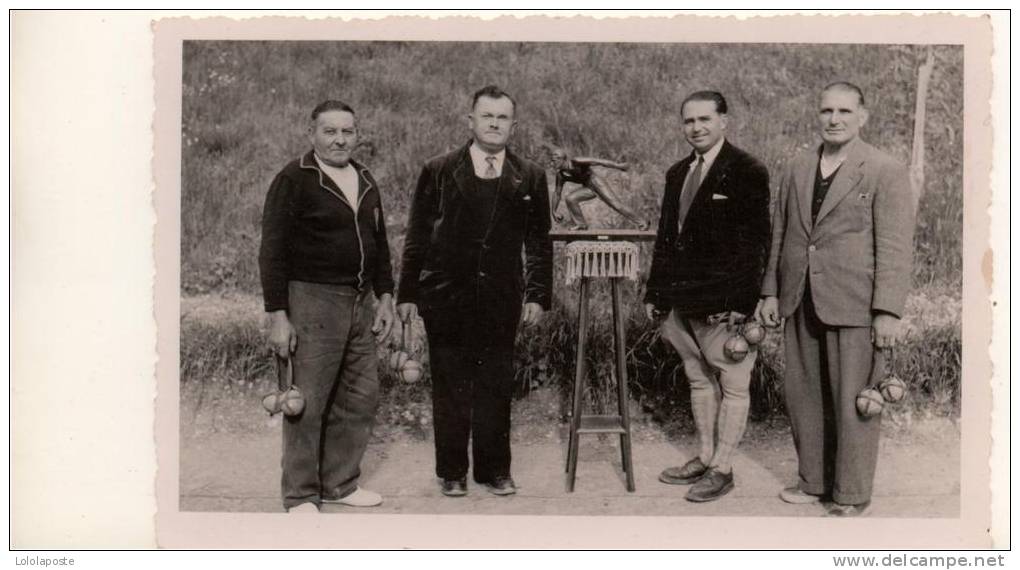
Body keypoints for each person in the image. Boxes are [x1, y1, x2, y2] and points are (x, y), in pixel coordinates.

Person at [757, 82, 915, 517]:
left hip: (856, 304)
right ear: (817, 115)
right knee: (804, 396)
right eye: (826, 110)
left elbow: (896, 247)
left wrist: (887, 311)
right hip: (800, 299)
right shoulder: (797, 167)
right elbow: (781, 235)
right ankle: (813, 481)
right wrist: (770, 291)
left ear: (863, 116)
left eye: (845, 111)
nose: (834, 119)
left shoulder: (884, 169)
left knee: (855, 401)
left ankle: (850, 493)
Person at [396, 85, 553, 497]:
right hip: (446, 297)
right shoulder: (439, 170)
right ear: (471, 121)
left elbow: (539, 240)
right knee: (450, 386)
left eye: (502, 118)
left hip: (501, 299)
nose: (495, 124)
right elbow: (417, 236)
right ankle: (451, 471)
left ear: (513, 125)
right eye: (487, 116)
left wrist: (536, 294)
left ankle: (495, 470)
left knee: (496, 386)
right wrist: (408, 294)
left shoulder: (531, 176)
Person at [258, 100, 395, 513]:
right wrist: (278, 314)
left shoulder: (366, 178)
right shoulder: (294, 178)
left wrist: (385, 295)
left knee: (360, 395)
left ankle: (341, 483)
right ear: (312, 133)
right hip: (313, 300)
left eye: (347, 132)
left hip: (360, 302)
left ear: (358, 135)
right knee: (308, 399)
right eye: (330, 131)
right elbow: (272, 250)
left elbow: (381, 245)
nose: (339, 139)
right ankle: (300, 494)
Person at [644, 91, 770, 502]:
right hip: (679, 302)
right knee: (698, 379)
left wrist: (742, 303)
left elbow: (756, 245)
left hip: (724, 306)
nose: (696, 127)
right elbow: (666, 238)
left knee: (734, 384)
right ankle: (703, 456)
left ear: (724, 121)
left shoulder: (747, 170)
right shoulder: (677, 172)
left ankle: (724, 467)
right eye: (688, 121)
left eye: (704, 119)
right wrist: (654, 292)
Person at [547, 145, 649, 230]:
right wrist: (553, 211)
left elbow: (598, 161)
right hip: (587, 187)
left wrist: (618, 166)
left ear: (562, 159)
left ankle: (642, 222)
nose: (552, 164)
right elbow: (557, 193)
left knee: (616, 205)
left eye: (554, 161)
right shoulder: (561, 175)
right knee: (570, 199)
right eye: (551, 161)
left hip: (596, 182)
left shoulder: (576, 161)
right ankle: (581, 225)